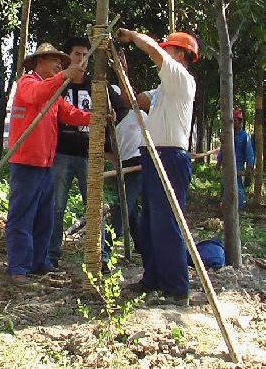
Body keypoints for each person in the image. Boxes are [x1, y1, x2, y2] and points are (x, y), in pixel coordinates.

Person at [117, 29, 198, 306]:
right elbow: (131, 101)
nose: (164, 54)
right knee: (150, 222)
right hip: (151, 155)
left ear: (181, 55)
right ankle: (152, 279)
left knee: (167, 223)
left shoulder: (180, 79)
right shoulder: (162, 90)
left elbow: (153, 49)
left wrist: (130, 35)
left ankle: (177, 289)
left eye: (170, 49)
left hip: (170, 157)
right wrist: (122, 72)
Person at [5, 43, 90, 284]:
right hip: (26, 163)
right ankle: (18, 267)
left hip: (45, 164)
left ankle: (39, 261)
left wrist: (96, 117)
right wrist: (64, 75)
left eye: (60, 62)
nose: (58, 65)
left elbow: (70, 113)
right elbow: (36, 95)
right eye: (53, 60)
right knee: (22, 216)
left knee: (45, 217)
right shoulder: (28, 83)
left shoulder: (54, 92)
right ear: (38, 63)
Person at [48, 37, 127, 269]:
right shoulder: (60, 84)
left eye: (84, 55)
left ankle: (100, 255)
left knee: (95, 206)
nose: (81, 59)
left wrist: (111, 120)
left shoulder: (97, 85)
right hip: (61, 153)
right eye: (76, 54)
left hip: (89, 155)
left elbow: (121, 106)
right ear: (68, 57)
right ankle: (52, 255)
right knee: (57, 206)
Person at [106, 85, 147, 253]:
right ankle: (140, 243)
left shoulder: (139, 115)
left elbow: (151, 139)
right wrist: (117, 166)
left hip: (139, 165)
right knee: (128, 209)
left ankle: (106, 250)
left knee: (122, 206)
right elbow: (107, 148)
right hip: (123, 167)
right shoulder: (109, 121)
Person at [217, 109, 255, 210]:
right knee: (225, 186)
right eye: (235, 120)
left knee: (237, 187)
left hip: (238, 165)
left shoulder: (244, 136)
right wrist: (218, 161)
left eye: (238, 120)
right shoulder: (227, 135)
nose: (236, 122)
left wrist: (249, 167)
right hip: (226, 164)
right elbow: (222, 149)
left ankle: (238, 208)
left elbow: (249, 153)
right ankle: (225, 208)